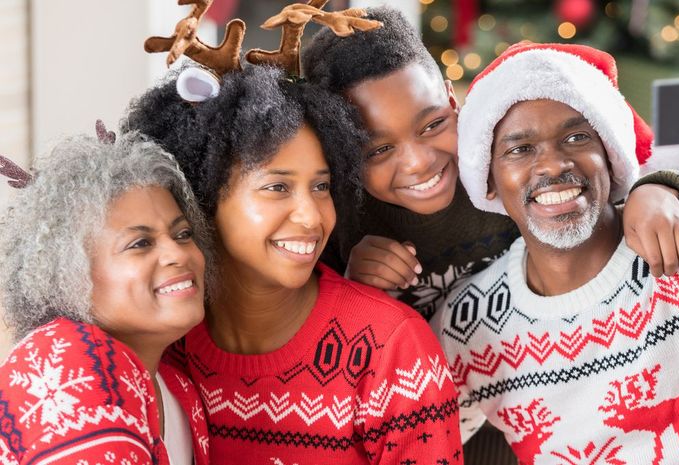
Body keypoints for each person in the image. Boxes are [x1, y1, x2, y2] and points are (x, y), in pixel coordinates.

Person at [432, 42, 679, 465]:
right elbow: (417, 436)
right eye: (519, 149)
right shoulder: (470, 324)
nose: (552, 165)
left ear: (611, 154)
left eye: (576, 136)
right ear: (488, 179)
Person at [301, 6, 679, 324]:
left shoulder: (509, 160)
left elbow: (630, 167)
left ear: (454, 100)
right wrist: (351, 287)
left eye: (433, 125)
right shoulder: (341, 219)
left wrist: (659, 187)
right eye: (377, 150)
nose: (418, 162)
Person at [123, 61, 463, 465]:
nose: (312, 216)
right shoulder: (166, 343)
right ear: (202, 198)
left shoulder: (392, 349)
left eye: (321, 186)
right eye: (278, 187)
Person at [0, 132, 210, 465]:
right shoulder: (61, 366)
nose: (177, 253)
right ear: (68, 273)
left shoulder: (178, 389)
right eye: (140, 243)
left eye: (182, 234)